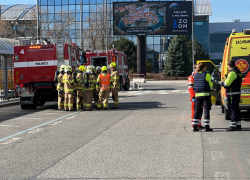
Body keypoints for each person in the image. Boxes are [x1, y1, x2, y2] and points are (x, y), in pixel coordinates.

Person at [220, 60, 242, 131]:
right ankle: (238, 125)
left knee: (232, 109)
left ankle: (233, 125)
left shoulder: (232, 73)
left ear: (228, 66)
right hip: (237, 93)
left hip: (232, 94)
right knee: (236, 109)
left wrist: (222, 83)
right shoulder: (238, 72)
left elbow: (227, 84)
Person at [193, 62, 213, 132]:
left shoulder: (195, 75)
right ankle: (207, 127)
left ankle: (195, 127)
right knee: (206, 110)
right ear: (204, 67)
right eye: (206, 67)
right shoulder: (206, 75)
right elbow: (211, 84)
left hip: (197, 95)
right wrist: (212, 89)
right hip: (205, 95)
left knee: (197, 111)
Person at [188, 64, 204, 129]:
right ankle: (193, 125)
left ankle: (199, 124)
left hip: (200, 96)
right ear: (195, 69)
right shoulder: (191, 77)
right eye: (198, 68)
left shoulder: (199, 76)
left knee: (200, 111)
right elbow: (190, 88)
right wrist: (193, 97)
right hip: (195, 97)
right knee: (195, 111)